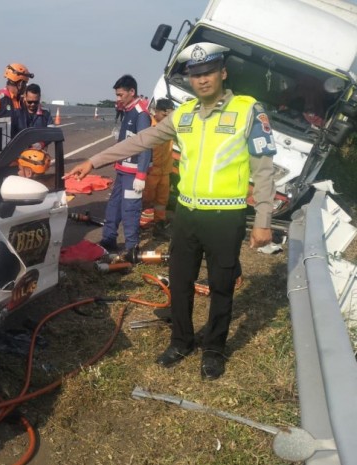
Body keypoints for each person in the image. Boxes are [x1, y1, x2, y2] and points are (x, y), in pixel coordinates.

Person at [64, 42, 277, 380]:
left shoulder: (248, 110)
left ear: (222, 73)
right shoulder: (185, 114)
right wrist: (94, 160)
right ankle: (181, 341)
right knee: (180, 282)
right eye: (196, 75)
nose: (202, 80)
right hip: (188, 216)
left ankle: (214, 350)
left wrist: (263, 221)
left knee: (221, 286)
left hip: (227, 217)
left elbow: (265, 170)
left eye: (208, 73)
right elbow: (140, 140)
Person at [98, 74, 152, 253]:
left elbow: (146, 145)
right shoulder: (128, 110)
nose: (118, 99)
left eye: (120, 95)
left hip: (133, 173)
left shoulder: (141, 114)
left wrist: (141, 175)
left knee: (130, 210)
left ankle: (131, 248)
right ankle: (108, 240)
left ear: (132, 92)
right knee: (113, 207)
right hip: (122, 170)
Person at [141, 98, 175, 235]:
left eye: (169, 116)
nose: (167, 118)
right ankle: (137, 225)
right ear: (156, 112)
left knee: (162, 201)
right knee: (145, 200)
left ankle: (159, 226)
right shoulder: (148, 126)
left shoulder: (171, 127)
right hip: (151, 173)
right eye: (164, 115)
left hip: (165, 172)